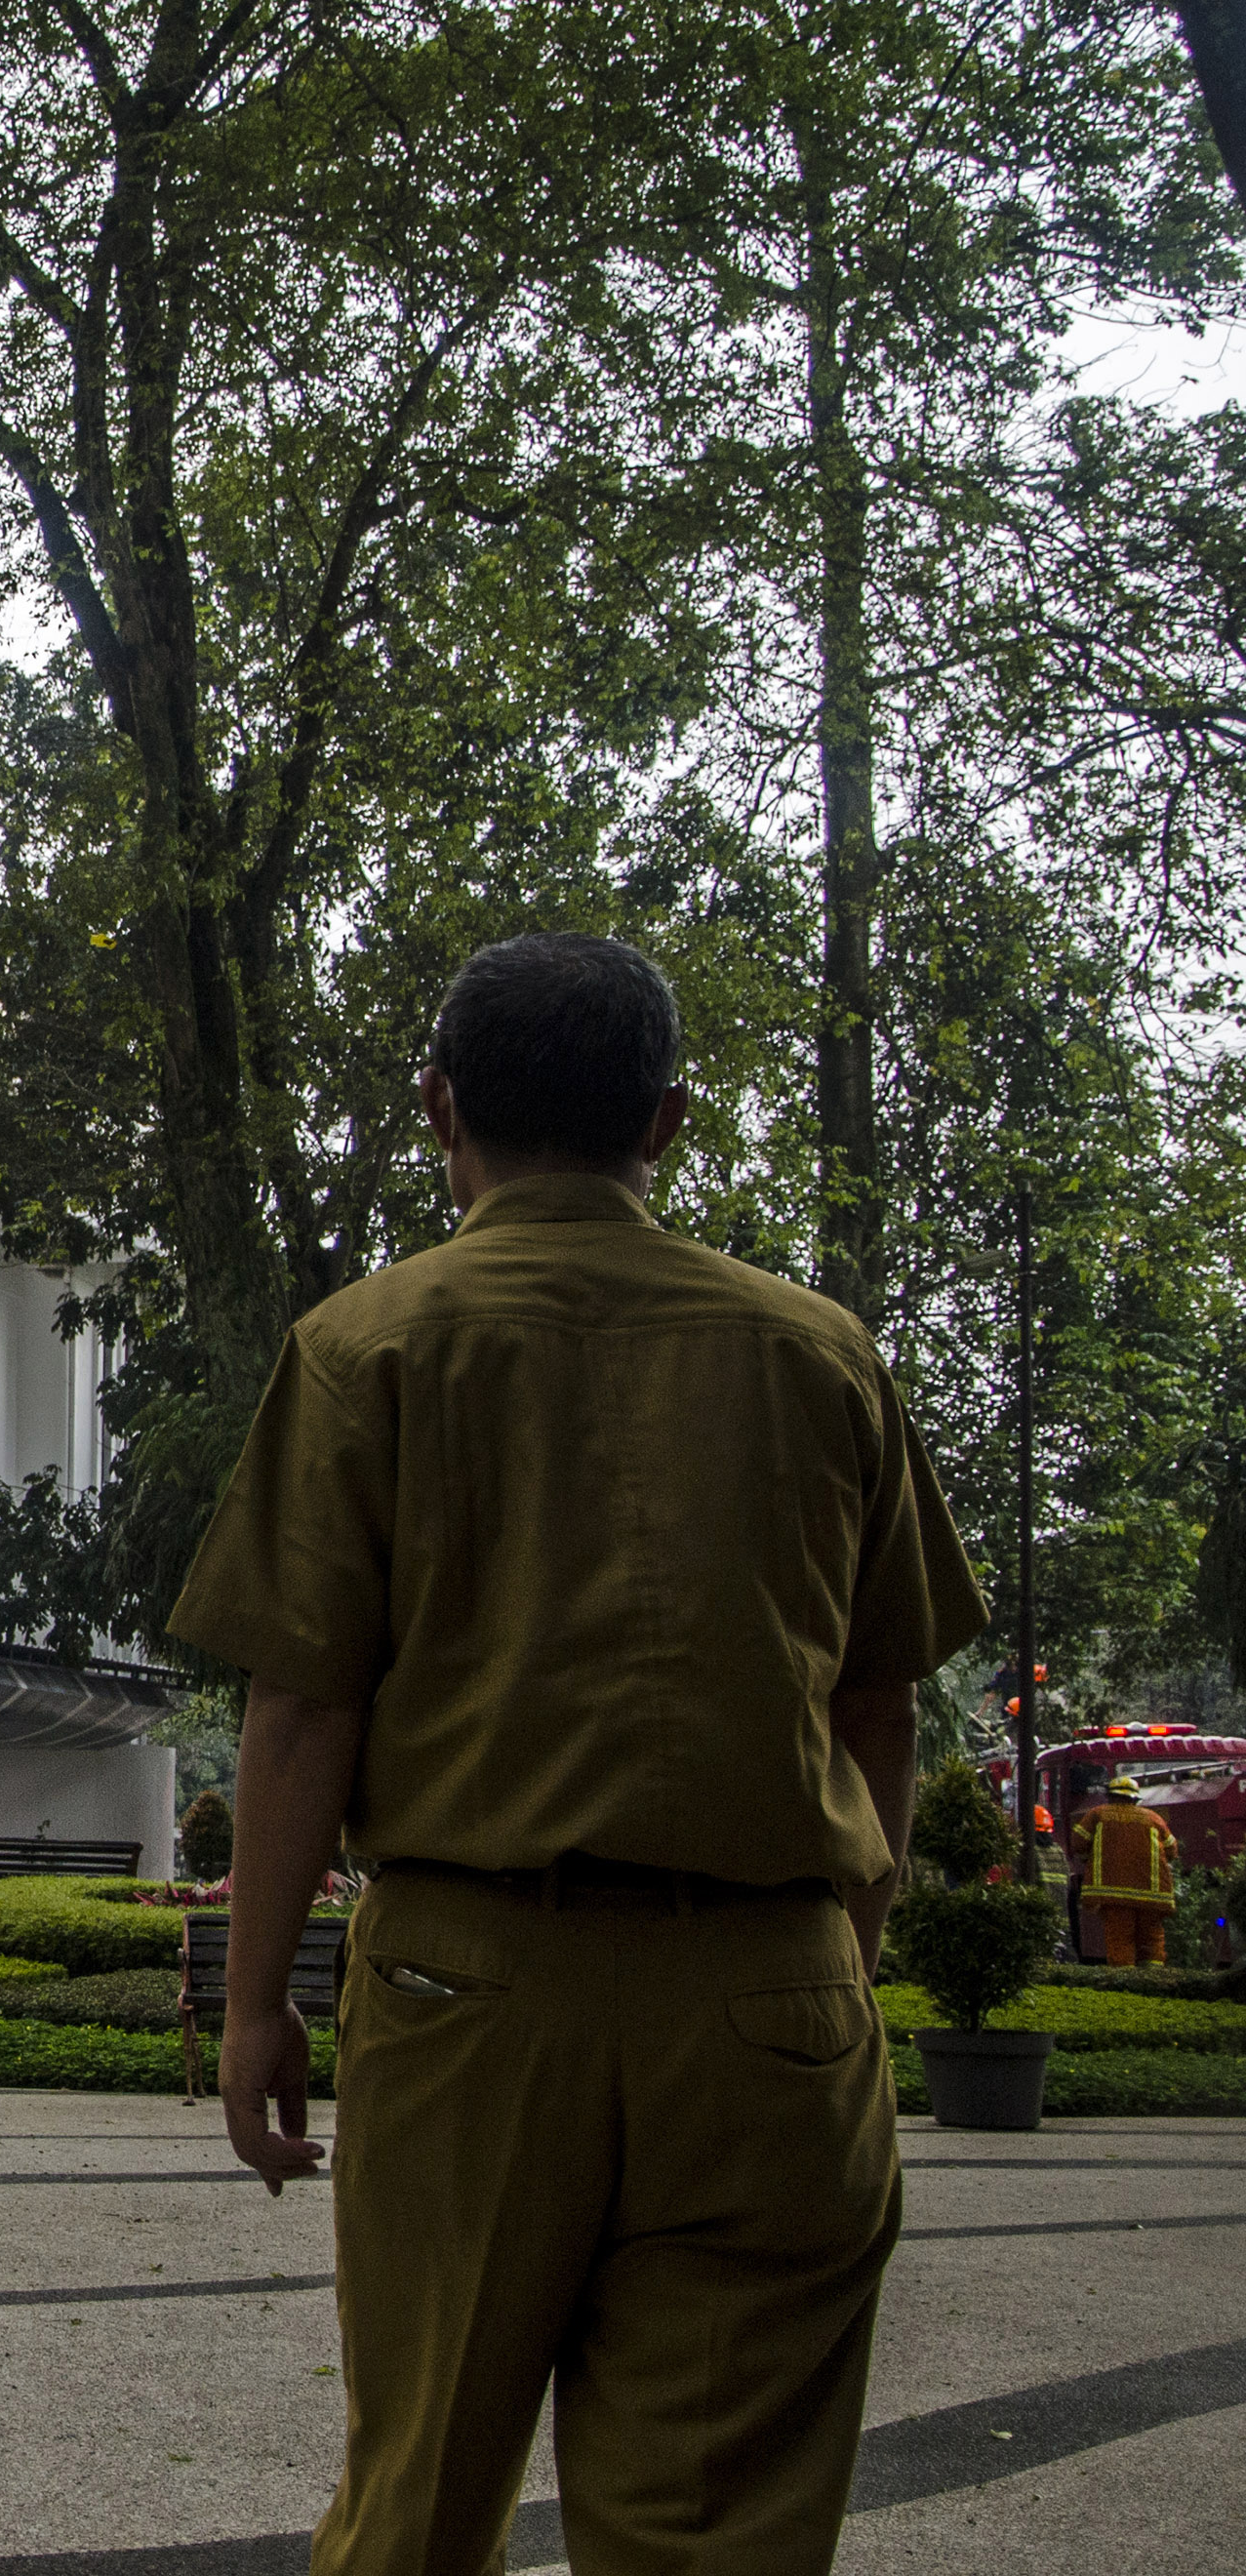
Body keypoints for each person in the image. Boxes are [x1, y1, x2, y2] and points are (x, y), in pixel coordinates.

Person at [166, 933, 985, 2576]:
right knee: (720, 2537)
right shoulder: (820, 1354)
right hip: (771, 1999)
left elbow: (304, 1707)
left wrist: (258, 2005)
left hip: (472, 1996)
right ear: (666, 1125)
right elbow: (876, 1707)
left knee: (413, 2510)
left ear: (437, 1110)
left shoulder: (367, 1348)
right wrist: (833, 1971)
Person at [1067, 1772, 1179, 1966]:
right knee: (1152, 1942)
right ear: (1135, 1799)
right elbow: (1172, 1850)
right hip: (1152, 1896)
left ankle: (1125, 1982)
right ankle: (1155, 1982)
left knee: (1120, 1940)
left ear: (1110, 1796)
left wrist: (1091, 1860)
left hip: (1113, 1894)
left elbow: (1078, 1844)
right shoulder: (1153, 1819)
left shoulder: (1097, 1814)